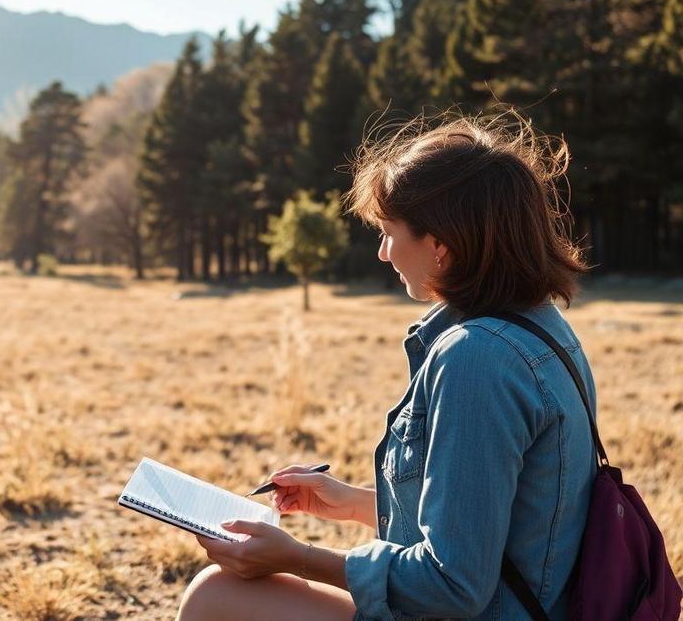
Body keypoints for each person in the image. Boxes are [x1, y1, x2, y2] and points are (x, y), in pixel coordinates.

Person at [176, 113, 596, 620]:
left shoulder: (476, 359)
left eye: (389, 232)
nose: (382, 252)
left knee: (215, 597)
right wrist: (353, 503)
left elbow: (454, 586)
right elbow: (490, 518)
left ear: (441, 245)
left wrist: (298, 558)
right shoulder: (541, 327)